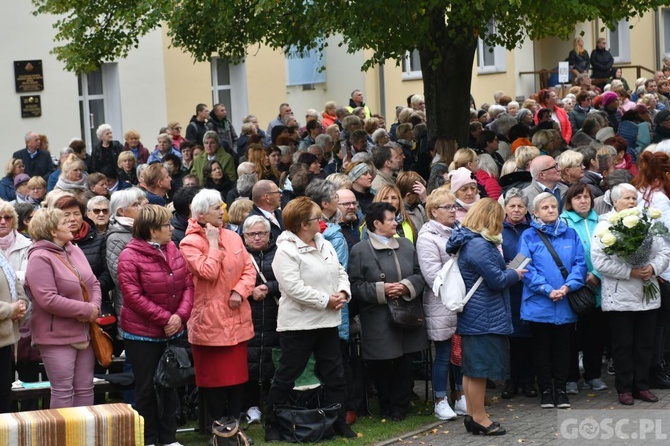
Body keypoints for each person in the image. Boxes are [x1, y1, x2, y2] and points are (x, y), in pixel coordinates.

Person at [264, 196, 356, 441]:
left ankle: (337, 421)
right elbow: (293, 288)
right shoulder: (285, 250)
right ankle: (272, 422)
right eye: (317, 218)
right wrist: (326, 299)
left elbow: (339, 272)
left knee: (335, 374)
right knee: (287, 375)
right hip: (298, 324)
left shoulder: (324, 243)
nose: (321, 222)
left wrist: (343, 292)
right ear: (304, 224)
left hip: (328, 321)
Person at [444, 198, 524, 436]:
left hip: (476, 314)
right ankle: (479, 417)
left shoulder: (470, 240)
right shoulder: (479, 244)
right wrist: (515, 273)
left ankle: (473, 415)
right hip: (484, 315)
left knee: (471, 369)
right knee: (479, 370)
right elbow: (497, 280)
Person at [117, 205, 194, 446]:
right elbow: (133, 296)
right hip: (142, 335)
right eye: (166, 226)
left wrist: (179, 317)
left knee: (170, 385)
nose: (171, 229)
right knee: (147, 389)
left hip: (172, 330)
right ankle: (148, 439)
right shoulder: (129, 256)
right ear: (152, 231)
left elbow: (188, 285)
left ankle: (169, 438)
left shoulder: (173, 248)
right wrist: (165, 319)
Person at [180, 189, 256, 427]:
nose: (222, 211)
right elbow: (208, 272)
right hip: (209, 322)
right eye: (216, 208)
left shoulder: (234, 236)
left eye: (222, 207)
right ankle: (217, 427)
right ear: (201, 213)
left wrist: (239, 291)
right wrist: (213, 244)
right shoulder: (189, 242)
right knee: (212, 380)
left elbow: (249, 269)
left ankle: (233, 426)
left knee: (237, 378)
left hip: (236, 317)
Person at [592, 183, 670, 405]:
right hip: (620, 296)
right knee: (623, 345)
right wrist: (630, 271)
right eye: (626, 198)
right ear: (615, 202)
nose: (631, 202)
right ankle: (624, 388)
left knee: (645, 343)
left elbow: (664, 250)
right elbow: (600, 261)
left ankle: (642, 386)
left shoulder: (648, 223)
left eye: (634, 198)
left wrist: (653, 268)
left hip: (647, 292)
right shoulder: (605, 227)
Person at [348, 202, 426, 421]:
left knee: (406, 362)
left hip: (407, 314)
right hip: (378, 318)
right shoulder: (360, 250)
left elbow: (420, 275)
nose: (396, 223)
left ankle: (401, 406)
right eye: (391, 219)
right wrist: (382, 290)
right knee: (382, 364)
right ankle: (386, 406)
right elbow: (355, 285)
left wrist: (406, 286)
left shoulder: (407, 245)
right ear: (376, 224)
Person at [25, 207, 102, 408]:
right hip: (56, 335)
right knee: (63, 391)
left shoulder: (74, 249)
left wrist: (94, 306)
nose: (71, 222)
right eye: (64, 220)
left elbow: (93, 282)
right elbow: (47, 299)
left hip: (83, 330)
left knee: (85, 388)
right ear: (52, 230)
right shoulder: (39, 257)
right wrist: (86, 310)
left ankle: (85, 437)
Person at [517, 192, 587, 410]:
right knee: (541, 349)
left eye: (553, 207)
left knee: (563, 349)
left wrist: (568, 286)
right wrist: (547, 290)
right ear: (535, 212)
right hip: (540, 303)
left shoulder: (571, 234)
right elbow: (522, 267)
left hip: (565, 302)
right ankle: (546, 390)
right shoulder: (527, 236)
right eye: (544, 207)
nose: (550, 210)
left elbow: (580, 264)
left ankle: (561, 389)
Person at [416, 188, 460, 420]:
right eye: (447, 207)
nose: (453, 211)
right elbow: (433, 275)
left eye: (454, 206)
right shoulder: (427, 237)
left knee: (460, 352)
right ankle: (440, 399)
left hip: (463, 301)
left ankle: (461, 396)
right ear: (433, 211)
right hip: (441, 302)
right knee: (443, 353)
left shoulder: (459, 230)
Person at [560, 183, 607, 395]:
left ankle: (593, 374)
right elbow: (562, 254)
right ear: (570, 202)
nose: (583, 201)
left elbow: (608, 252)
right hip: (574, 288)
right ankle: (570, 377)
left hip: (598, 286)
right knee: (571, 336)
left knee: (595, 334)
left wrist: (596, 274)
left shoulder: (601, 221)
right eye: (578, 197)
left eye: (586, 197)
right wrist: (579, 277)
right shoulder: (564, 223)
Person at [632, 151, 670, 389]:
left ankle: (652, 367)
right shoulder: (661, 200)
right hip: (662, 268)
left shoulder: (638, 194)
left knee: (653, 323)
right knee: (661, 324)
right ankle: (657, 367)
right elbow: (666, 234)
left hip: (649, 266)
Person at [241, 216, 280, 424]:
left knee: (272, 358)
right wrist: (250, 291)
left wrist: (270, 288)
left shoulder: (279, 253)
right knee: (250, 359)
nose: (257, 238)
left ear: (269, 234)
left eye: (261, 233)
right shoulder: (239, 254)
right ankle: (251, 405)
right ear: (245, 236)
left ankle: (271, 401)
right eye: (252, 234)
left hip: (276, 314)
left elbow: (289, 280)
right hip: (249, 315)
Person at [500, 189, 536, 399]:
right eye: (512, 206)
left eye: (520, 206)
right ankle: (510, 381)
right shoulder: (498, 229)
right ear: (505, 208)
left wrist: (513, 269)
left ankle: (529, 381)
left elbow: (528, 255)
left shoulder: (532, 228)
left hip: (529, 286)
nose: (516, 210)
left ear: (526, 209)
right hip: (507, 288)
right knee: (510, 339)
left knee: (528, 337)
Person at [107, 188, 146, 316]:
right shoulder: (116, 237)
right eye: (135, 205)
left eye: (139, 204)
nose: (140, 208)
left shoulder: (142, 229)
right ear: (121, 211)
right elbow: (120, 277)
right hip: (130, 305)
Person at [0, 246, 28, 413]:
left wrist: (22, 304)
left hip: (4, 340)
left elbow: (15, 284)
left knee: (4, 395)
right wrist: (11, 310)